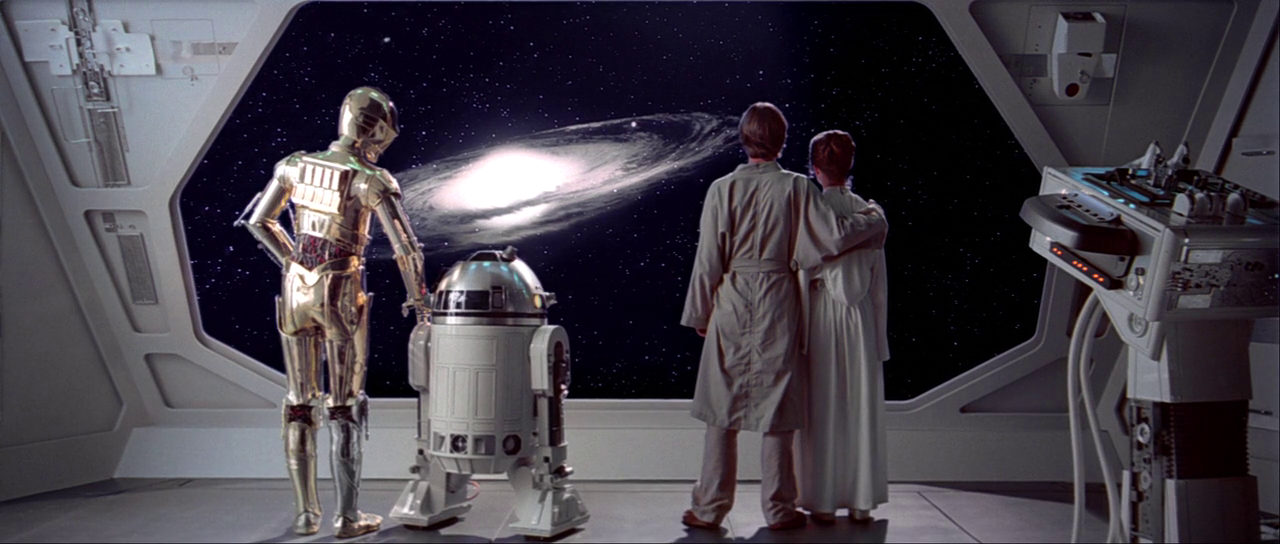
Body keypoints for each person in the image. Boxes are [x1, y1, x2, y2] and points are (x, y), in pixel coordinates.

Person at [680, 103, 887, 532]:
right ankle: (779, 509)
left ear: (744, 138)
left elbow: (707, 259)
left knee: (721, 410)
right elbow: (834, 237)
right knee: (778, 406)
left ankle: (709, 508)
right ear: (782, 140)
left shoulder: (721, 188)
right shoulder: (797, 187)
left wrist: (700, 312)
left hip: (732, 298)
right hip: (779, 298)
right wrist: (874, 219)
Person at [240, 86, 428, 538]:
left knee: (298, 403)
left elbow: (259, 221)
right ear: (376, 130)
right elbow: (406, 248)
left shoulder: (294, 164)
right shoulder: (371, 179)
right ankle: (346, 517)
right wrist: (419, 299)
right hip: (340, 290)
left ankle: (306, 515)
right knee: (345, 407)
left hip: (294, 289)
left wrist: (293, 262)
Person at [796, 130, 890, 524]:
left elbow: (799, 271)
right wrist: (880, 337)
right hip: (860, 316)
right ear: (850, 165)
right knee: (860, 406)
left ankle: (821, 501)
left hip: (820, 314)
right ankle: (861, 501)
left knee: (821, 407)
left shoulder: (809, 211)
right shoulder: (871, 214)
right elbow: (879, 283)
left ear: (814, 168)